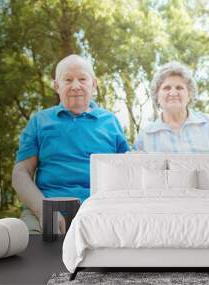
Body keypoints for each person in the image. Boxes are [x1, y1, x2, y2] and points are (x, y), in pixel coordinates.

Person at [12, 55, 129, 234]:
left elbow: (128, 171)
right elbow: (21, 173)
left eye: (82, 79)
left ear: (94, 84)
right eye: (68, 80)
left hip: (100, 211)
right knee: (27, 246)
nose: (75, 86)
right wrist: (44, 211)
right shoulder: (39, 121)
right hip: (45, 207)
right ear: (56, 85)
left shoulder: (111, 122)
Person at [134, 61, 209, 153]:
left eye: (179, 88)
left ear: (190, 94)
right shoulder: (144, 137)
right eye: (166, 88)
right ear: (156, 95)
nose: (173, 93)